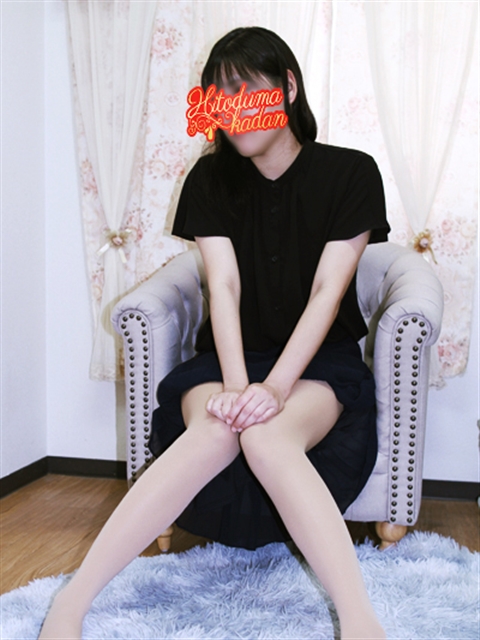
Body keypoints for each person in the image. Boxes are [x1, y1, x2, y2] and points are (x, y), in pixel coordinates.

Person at [39, 26, 390, 640]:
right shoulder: (209, 180)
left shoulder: (352, 173)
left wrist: (273, 388)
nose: (235, 111)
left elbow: (327, 291)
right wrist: (236, 386)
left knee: (268, 437)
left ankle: (360, 622)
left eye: (248, 90)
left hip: (316, 364)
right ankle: (72, 603)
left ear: (287, 87)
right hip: (228, 358)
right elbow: (222, 287)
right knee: (216, 429)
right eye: (220, 98)